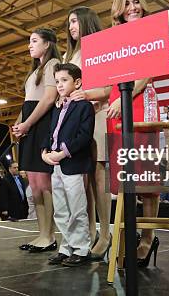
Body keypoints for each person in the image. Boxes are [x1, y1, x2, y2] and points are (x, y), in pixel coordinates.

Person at [106, 0, 160, 268]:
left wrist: (124, 98)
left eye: (137, 2)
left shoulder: (151, 30)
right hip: (117, 103)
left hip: (140, 101)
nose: (133, 7)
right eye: (127, 4)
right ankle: (124, 238)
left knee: (147, 179)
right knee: (124, 180)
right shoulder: (112, 38)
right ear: (119, 9)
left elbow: (148, 71)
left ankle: (148, 239)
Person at [62, 6, 112, 260]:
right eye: (69, 22)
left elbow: (107, 88)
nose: (71, 26)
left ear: (86, 22)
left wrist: (84, 94)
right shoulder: (69, 54)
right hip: (75, 120)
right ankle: (88, 233)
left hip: (98, 114)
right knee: (84, 179)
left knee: (99, 177)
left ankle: (105, 234)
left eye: (75, 21)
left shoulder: (100, 48)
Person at [12, 28, 60, 253]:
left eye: (34, 41)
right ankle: (41, 233)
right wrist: (20, 124)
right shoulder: (35, 70)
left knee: (43, 184)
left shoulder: (52, 65)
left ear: (48, 44)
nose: (30, 45)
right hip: (30, 123)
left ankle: (49, 235)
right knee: (34, 186)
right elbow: (28, 101)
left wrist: (28, 123)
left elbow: (49, 98)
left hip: (42, 124)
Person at [42, 63, 94, 267]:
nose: (60, 85)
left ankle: (81, 248)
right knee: (61, 209)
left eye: (64, 80)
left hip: (73, 163)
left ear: (78, 82)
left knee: (77, 208)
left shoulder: (84, 107)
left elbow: (84, 137)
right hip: (55, 164)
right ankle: (66, 247)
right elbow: (50, 133)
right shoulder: (57, 108)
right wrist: (45, 152)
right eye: (57, 81)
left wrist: (62, 153)